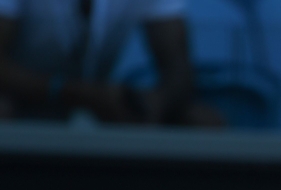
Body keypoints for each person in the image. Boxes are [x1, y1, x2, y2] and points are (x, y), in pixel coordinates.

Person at [0, 0, 217, 125]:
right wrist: (78, 94)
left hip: (102, 103)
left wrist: (151, 105)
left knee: (203, 121)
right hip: (25, 96)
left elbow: (179, 72)